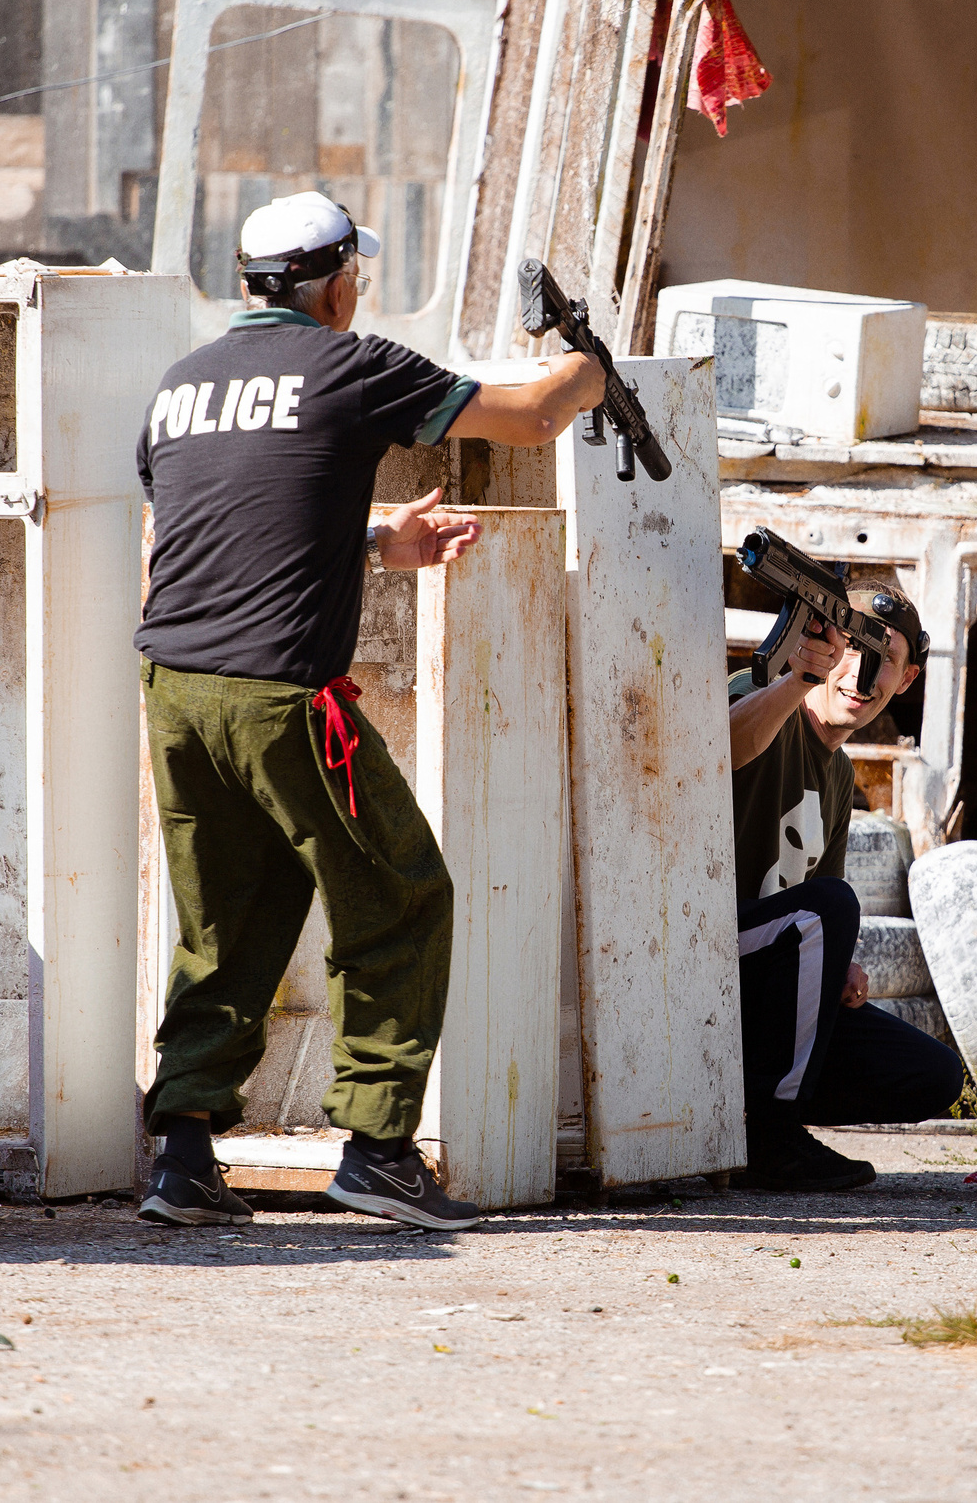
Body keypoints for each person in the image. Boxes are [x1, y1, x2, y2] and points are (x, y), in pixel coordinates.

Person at [136, 191, 606, 1229]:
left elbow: (217, 525)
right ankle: (380, 1145)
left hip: (176, 689)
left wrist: (370, 545)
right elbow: (528, 417)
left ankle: (181, 1154)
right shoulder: (351, 365)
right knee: (398, 892)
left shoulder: (181, 385)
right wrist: (589, 371)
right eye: (359, 276)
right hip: (282, 692)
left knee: (229, 917)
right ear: (336, 281)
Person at [725, 589, 967, 1191]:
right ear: (823, 646)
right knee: (833, 908)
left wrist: (840, 967)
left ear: (906, 679)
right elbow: (713, 748)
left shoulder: (836, 774)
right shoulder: (760, 698)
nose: (861, 672)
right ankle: (770, 1141)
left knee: (933, 1074)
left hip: (762, 984)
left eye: (883, 658)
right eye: (851, 646)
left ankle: (743, 1110)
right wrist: (795, 681)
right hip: (697, 947)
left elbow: (816, 897)